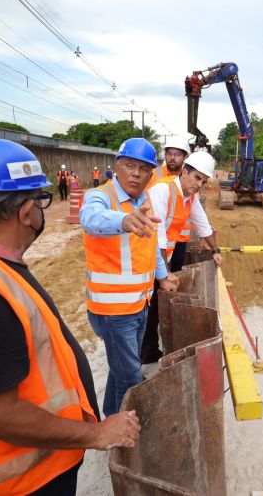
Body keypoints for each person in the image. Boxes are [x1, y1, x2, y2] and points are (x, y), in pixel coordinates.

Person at [0, 138, 140, 495]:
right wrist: (95, 433)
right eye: (42, 202)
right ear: (27, 211)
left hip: (31, 470)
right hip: (19, 481)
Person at [80, 137, 178, 416]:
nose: (136, 173)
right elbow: (91, 218)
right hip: (112, 310)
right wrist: (123, 221)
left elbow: (150, 247)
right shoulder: (101, 196)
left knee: (123, 367)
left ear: (151, 174)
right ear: (117, 167)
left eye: (144, 169)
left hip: (139, 304)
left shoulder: (144, 200)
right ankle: (123, 432)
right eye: (129, 166)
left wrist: (163, 277)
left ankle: (111, 417)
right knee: (131, 376)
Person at [142, 150, 222, 363]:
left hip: (158, 257)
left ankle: (148, 348)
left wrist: (215, 250)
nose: (199, 185)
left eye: (203, 182)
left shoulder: (189, 197)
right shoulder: (163, 190)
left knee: (155, 304)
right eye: (197, 178)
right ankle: (145, 352)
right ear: (184, 171)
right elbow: (157, 236)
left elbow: (203, 224)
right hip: (145, 256)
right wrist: (165, 274)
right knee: (147, 306)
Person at [146, 138, 192, 273]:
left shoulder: (189, 176)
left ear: (185, 157)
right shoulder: (154, 174)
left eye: (177, 154)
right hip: (158, 236)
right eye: (169, 154)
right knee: (157, 274)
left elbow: (193, 205)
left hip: (180, 238)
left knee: (176, 272)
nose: (172, 158)